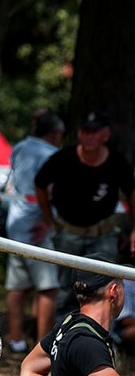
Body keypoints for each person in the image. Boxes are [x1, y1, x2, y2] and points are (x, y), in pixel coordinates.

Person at [35, 110, 135, 318]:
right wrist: (49, 220)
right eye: (85, 131)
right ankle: (64, 334)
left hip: (104, 235)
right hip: (69, 234)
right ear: (79, 133)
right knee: (67, 291)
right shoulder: (63, 158)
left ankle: (102, 333)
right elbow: (40, 184)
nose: (89, 136)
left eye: (94, 131)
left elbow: (132, 193)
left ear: (105, 135)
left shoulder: (116, 162)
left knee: (106, 289)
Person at [4, 111, 65, 352]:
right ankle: (42, 345)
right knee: (48, 286)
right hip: (37, 224)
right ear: (55, 133)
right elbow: (49, 191)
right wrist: (48, 220)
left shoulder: (20, 147)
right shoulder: (51, 154)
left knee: (17, 285)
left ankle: (16, 338)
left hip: (16, 221)